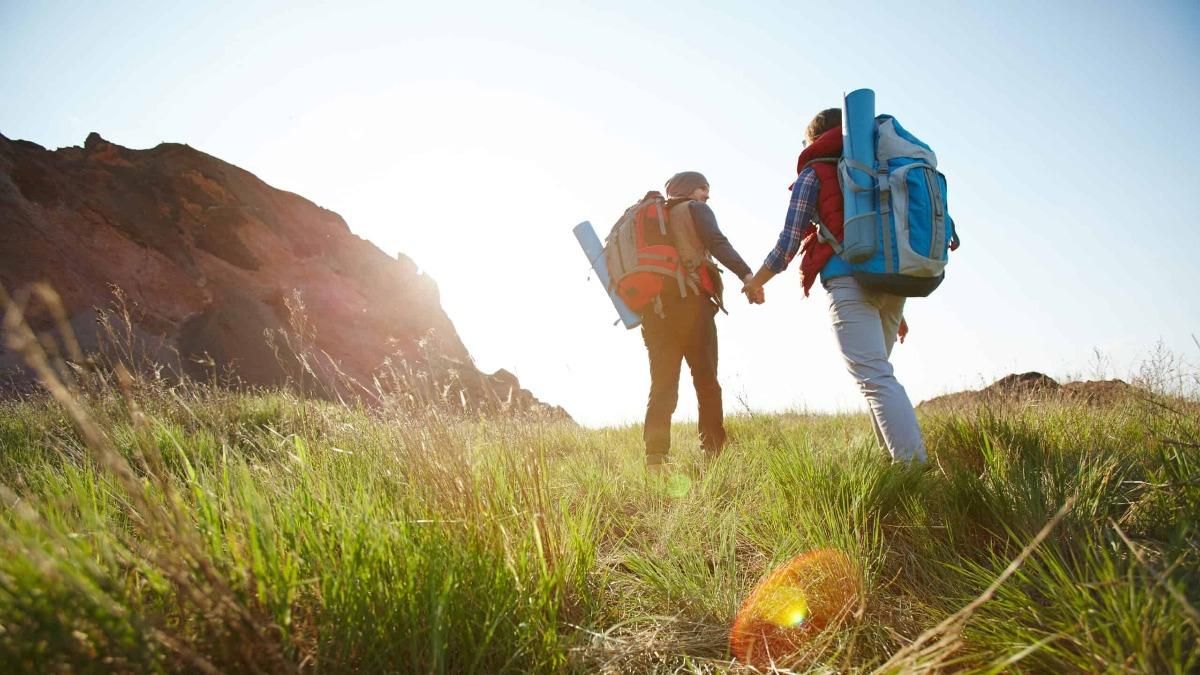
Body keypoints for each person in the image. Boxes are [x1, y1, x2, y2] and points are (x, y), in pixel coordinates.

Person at [740, 109, 927, 463]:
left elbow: (788, 243)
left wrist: (756, 282)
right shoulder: (878, 169)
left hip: (849, 282)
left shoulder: (815, 172)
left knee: (874, 378)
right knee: (877, 378)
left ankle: (914, 469)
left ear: (814, 139)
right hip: (893, 285)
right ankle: (893, 465)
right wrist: (896, 308)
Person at [641, 171, 759, 472]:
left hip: (654, 312)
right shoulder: (694, 209)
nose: (707, 195)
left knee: (663, 384)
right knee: (706, 381)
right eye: (703, 188)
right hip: (691, 306)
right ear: (689, 190)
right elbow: (717, 242)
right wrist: (747, 275)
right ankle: (713, 452)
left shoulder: (656, 219)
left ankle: (655, 459)